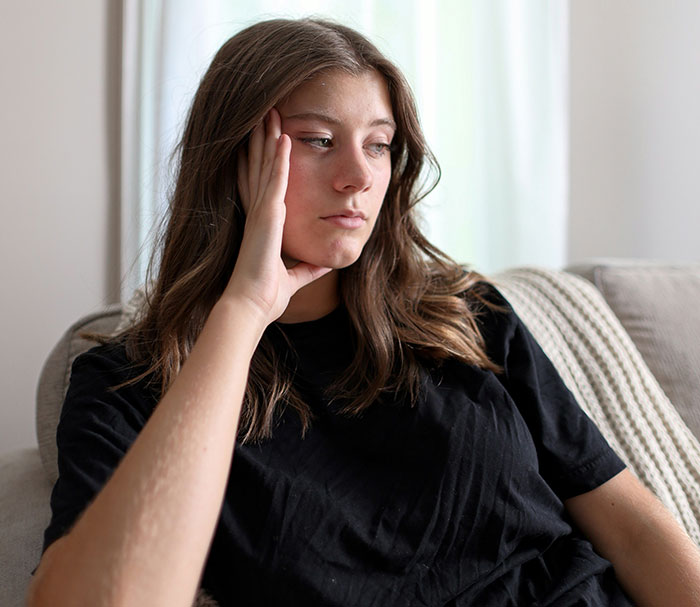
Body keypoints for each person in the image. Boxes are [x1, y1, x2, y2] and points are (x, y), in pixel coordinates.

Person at [28, 17, 700, 607]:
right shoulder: (128, 386)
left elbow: (636, 528)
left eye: (377, 144)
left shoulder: (466, 314)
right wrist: (244, 309)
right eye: (319, 140)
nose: (358, 176)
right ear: (235, 162)